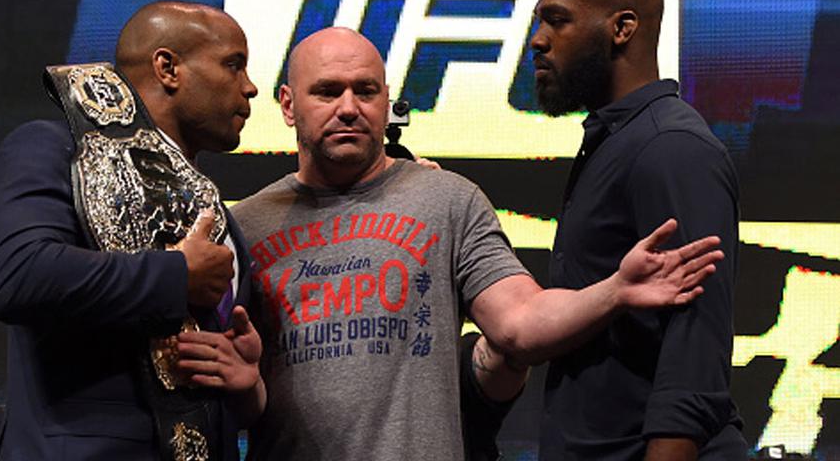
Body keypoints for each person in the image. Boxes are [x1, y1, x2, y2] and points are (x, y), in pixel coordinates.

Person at [230, 26, 725, 460]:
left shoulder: (448, 199)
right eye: (326, 92)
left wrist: (615, 290)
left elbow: (519, 324)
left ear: (387, 101)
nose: (348, 108)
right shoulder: (246, 226)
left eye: (366, 91)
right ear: (289, 105)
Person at [0, 1, 264, 460]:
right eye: (233, 65)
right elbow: (17, 274)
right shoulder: (53, 150)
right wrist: (176, 275)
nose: (250, 88)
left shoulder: (220, 216)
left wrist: (246, 387)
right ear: (168, 68)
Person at [530, 0, 747, 460]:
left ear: (622, 29)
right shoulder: (615, 140)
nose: (537, 40)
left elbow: (695, 349)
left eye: (556, 21)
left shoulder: (671, 147)